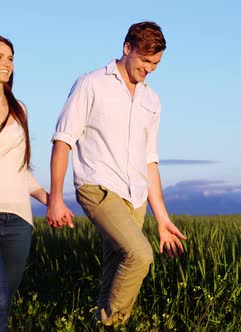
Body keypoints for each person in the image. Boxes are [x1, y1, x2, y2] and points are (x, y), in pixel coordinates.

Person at [46, 21, 187, 328]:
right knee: (140, 255)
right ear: (127, 49)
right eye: (145, 61)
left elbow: (150, 162)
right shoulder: (91, 83)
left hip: (134, 195)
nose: (150, 69)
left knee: (116, 267)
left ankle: (99, 322)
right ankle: (110, 325)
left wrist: (162, 218)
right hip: (97, 187)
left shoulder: (152, 100)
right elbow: (63, 139)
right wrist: (55, 197)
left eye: (156, 64)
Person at [0, 35, 74, 331]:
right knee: (0, 298)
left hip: (19, 220)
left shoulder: (21, 110)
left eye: (10, 58)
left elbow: (20, 171)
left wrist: (51, 200)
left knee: (7, 297)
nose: (6, 63)